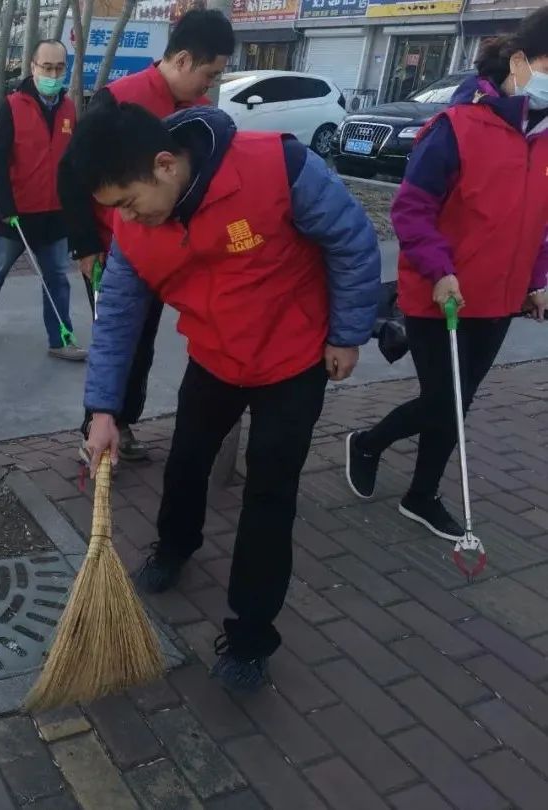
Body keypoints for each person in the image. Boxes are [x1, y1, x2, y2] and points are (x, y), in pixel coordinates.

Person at [72, 100, 380, 690]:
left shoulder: (277, 167)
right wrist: (103, 411)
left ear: (165, 165)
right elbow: (116, 318)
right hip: (214, 359)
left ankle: (249, 638)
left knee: (270, 492)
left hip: (293, 358)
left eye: (130, 203)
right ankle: (175, 545)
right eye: (116, 211)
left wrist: (347, 333)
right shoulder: (136, 229)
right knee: (186, 460)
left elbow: (352, 240)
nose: (127, 221)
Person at [345, 7, 548, 541]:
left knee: (460, 401)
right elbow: (411, 210)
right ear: (522, 61)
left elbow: (539, 222)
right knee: (442, 398)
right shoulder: (455, 128)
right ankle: (367, 441)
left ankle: (421, 493)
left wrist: (536, 280)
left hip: (498, 297)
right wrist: (439, 269)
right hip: (441, 292)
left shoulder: (546, 138)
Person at [58, 8, 235, 461]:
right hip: (112, 251)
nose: (210, 85)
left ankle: (124, 422)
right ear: (181, 60)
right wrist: (85, 245)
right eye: (209, 73)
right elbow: (71, 174)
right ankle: (95, 429)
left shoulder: (201, 116)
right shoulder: (119, 99)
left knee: (146, 337)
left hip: (168, 252)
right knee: (117, 338)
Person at [0, 39, 86, 362]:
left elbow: (72, 161)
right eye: (46, 67)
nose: (52, 73)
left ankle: (61, 337)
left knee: (58, 279)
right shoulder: (13, 106)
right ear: (33, 67)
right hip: (16, 215)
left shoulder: (68, 109)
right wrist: (5, 207)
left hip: (55, 214)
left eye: (59, 67)